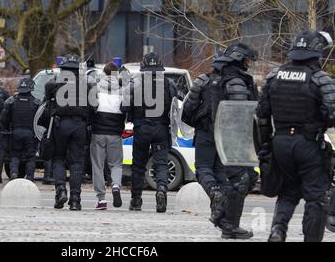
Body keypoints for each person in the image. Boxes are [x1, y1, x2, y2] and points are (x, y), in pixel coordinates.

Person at [256, 30, 335, 242]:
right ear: (317, 52)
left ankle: (278, 230)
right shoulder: (320, 79)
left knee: (288, 192)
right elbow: (332, 115)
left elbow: (262, 116)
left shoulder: (274, 76)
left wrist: (265, 149)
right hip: (309, 144)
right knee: (315, 197)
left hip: (280, 143)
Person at [182, 42, 258, 239]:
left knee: (204, 169)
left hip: (206, 133)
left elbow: (188, 109)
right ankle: (226, 220)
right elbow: (246, 114)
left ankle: (220, 209)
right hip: (229, 138)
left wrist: (197, 124)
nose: (248, 65)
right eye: (247, 61)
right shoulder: (239, 82)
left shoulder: (203, 80)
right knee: (229, 177)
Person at [122, 52, 177, 213]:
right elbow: (175, 109)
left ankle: (136, 200)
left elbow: (124, 108)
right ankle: (161, 190)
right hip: (160, 128)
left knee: (138, 166)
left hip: (141, 129)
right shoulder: (169, 84)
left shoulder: (135, 84)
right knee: (161, 164)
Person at [44, 54, 94, 211]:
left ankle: (60, 190)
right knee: (76, 163)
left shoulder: (53, 84)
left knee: (58, 158)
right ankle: (75, 200)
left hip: (60, 124)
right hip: (79, 125)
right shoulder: (86, 85)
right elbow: (93, 107)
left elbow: (46, 104)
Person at [90, 62, 126, 210]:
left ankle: (101, 199)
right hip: (115, 134)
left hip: (98, 132)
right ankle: (116, 185)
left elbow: (91, 109)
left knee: (97, 166)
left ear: (104, 74)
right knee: (116, 164)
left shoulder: (96, 88)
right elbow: (126, 110)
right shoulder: (123, 90)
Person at [0, 78, 40, 181]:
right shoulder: (36, 102)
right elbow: (41, 119)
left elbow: (3, 118)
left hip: (15, 132)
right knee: (31, 156)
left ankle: (13, 172)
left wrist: (7, 128)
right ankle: (30, 177)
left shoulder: (11, 101)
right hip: (30, 133)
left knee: (15, 154)